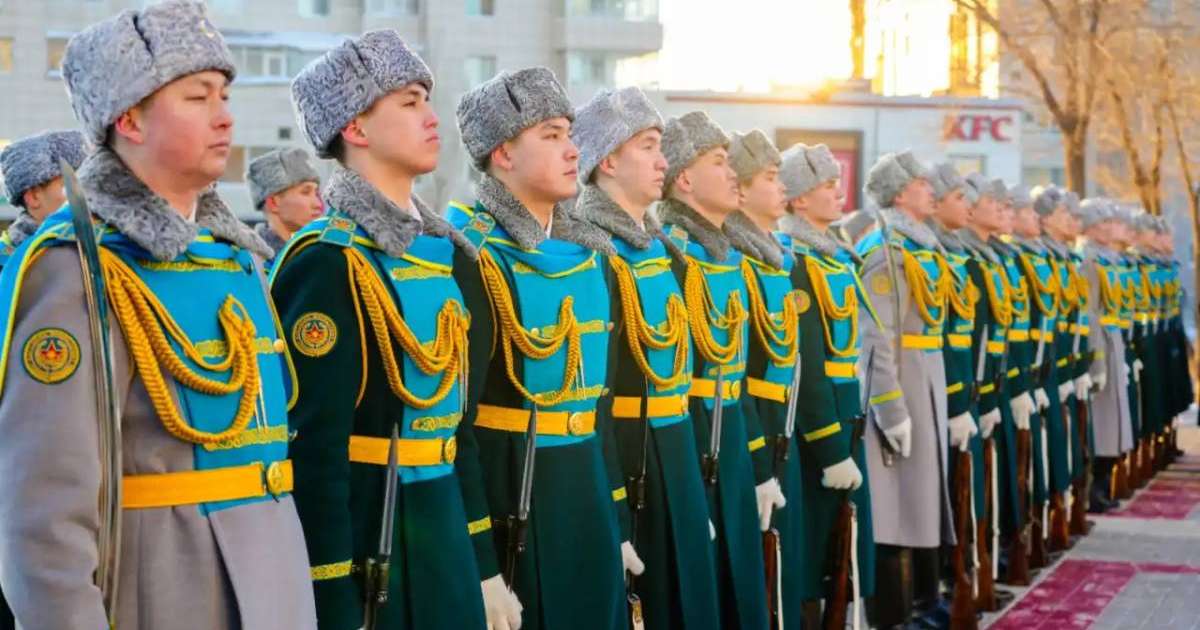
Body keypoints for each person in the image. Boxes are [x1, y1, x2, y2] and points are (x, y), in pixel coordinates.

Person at [0, 2, 317, 628]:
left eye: (224, 93)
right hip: (167, 592)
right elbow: (42, 520)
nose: (225, 114)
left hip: (276, 587)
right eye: (198, 96)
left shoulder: (236, 261)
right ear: (130, 119)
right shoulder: (75, 270)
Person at [273, 30, 494, 629]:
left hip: (443, 532)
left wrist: (485, 564)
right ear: (356, 128)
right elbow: (315, 453)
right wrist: (333, 599)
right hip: (376, 543)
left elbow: (460, 431)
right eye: (408, 101)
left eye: (427, 98)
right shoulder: (327, 261)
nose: (430, 115)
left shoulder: (448, 258)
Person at [448, 67, 638, 630]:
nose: (572, 149)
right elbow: (456, 426)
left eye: (569, 133)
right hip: (517, 507)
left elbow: (597, 410)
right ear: (503, 153)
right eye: (550, 135)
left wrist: (618, 522)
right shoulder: (471, 256)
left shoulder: (590, 257)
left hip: (588, 506)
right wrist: (481, 563)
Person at [571, 86, 723, 630]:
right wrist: (615, 512)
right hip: (632, 463)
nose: (663, 160)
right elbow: (599, 397)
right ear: (607, 159)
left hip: (675, 455)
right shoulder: (590, 253)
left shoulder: (661, 252)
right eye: (648, 145)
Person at [656, 111, 771, 630]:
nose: (733, 175)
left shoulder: (727, 258)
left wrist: (760, 465)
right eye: (719, 162)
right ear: (684, 178)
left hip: (733, 443)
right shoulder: (674, 258)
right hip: (695, 447)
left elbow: (736, 374)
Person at [778, 142, 876, 624]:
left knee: (843, 547)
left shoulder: (836, 256)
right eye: (827, 186)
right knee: (816, 548)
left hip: (847, 409)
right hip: (821, 425)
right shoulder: (797, 261)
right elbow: (808, 364)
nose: (839, 193)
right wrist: (830, 448)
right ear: (797, 200)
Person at [856, 151, 954, 629]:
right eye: (920, 181)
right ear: (898, 193)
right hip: (904, 384)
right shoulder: (885, 250)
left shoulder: (921, 247)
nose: (930, 187)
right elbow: (877, 338)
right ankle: (897, 614)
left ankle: (926, 601)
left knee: (923, 498)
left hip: (927, 376)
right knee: (896, 505)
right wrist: (890, 408)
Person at [723, 129, 806, 629]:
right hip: (755, 429)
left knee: (784, 570)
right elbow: (742, 371)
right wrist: (760, 460)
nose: (782, 189)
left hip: (781, 424)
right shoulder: (738, 263)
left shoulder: (773, 260)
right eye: (770, 178)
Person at [1077, 199, 1135, 511]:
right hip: (1100, 343)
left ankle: (1103, 484)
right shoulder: (1088, 260)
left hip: (1114, 341)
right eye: (1101, 224)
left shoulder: (1109, 259)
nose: (1109, 228)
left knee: (1114, 421)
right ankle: (1094, 489)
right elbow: (1090, 312)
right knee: (1102, 422)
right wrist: (1096, 359)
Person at [0, 130, 87, 267]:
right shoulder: (6, 262)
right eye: (68, 186)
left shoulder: (106, 247)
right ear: (33, 197)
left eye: (87, 184)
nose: (84, 195)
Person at [245, 147, 323, 266]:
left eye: (316, 193)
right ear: (273, 203)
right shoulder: (254, 263)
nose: (318, 204)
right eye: (305, 192)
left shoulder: (312, 253)